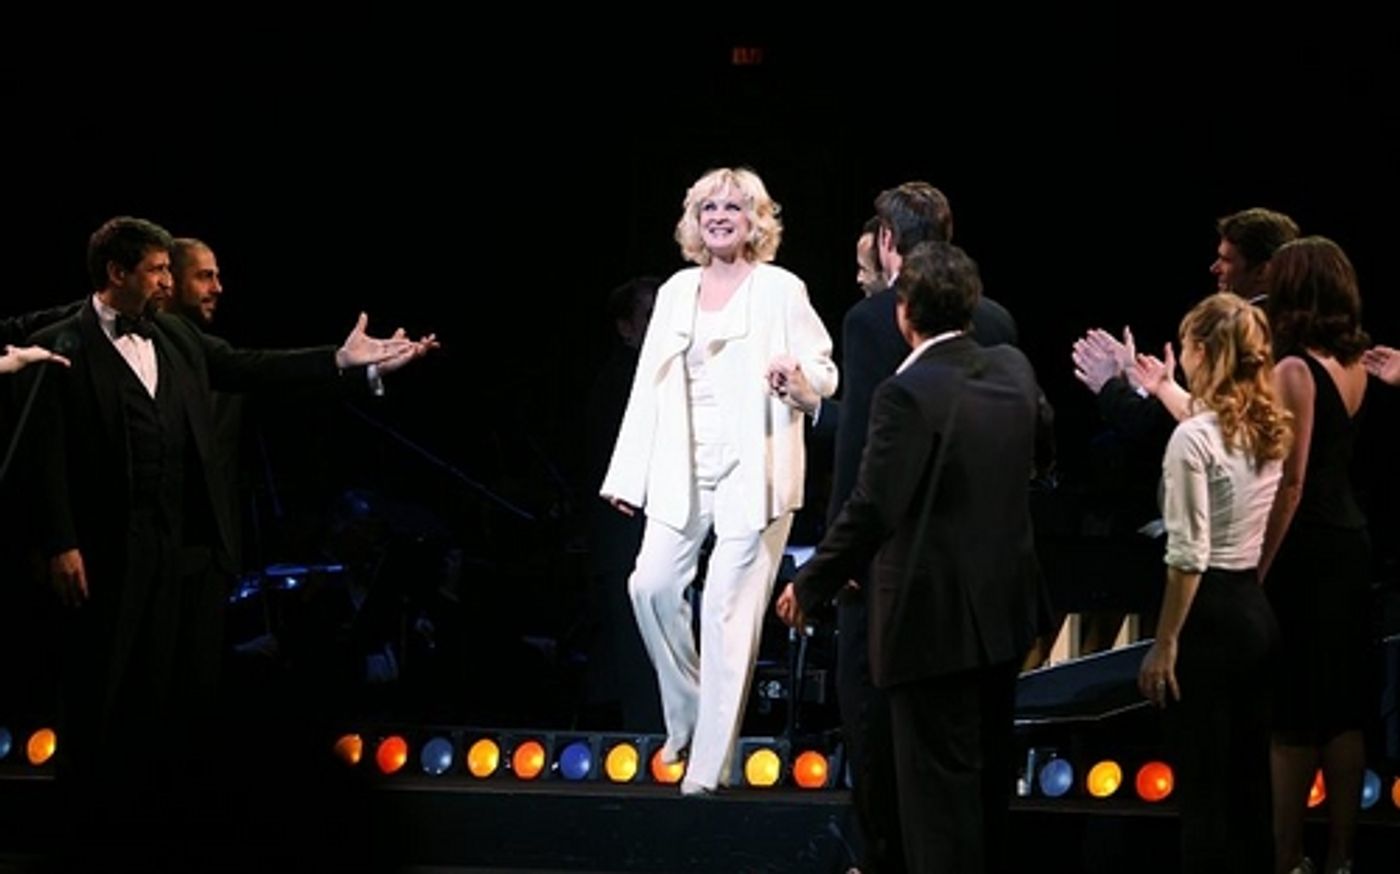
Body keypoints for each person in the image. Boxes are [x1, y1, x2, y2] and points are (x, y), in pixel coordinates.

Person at [18, 216, 434, 869]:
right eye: (157, 270)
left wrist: (339, 360)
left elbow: (252, 368)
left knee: (162, 701)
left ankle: (146, 832)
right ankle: (77, 838)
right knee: (99, 697)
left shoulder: (177, 337)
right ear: (117, 273)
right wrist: (59, 540)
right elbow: (43, 455)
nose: (167, 282)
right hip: (102, 552)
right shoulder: (59, 342)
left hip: (174, 550)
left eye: (169, 270)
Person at [773, 181, 1018, 873]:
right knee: (972, 750)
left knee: (879, 724)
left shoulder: (872, 321)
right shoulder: (1000, 327)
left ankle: (884, 856)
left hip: (895, 573)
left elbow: (868, 459)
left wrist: (833, 565)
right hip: (987, 579)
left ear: (887, 241)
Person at [600, 167, 836, 796]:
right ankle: (691, 715)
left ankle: (707, 768)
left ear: (756, 219)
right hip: (683, 462)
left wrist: (800, 381)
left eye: (733, 207)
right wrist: (628, 474)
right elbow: (648, 384)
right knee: (649, 584)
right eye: (709, 208)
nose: (720, 217)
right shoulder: (678, 291)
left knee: (726, 611)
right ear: (694, 220)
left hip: (756, 464)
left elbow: (825, 369)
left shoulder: (781, 288)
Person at [1132, 292, 1291, 872]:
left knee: (1203, 794)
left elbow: (1188, 556)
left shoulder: (1193, 440)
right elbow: (1208, 425)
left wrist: (1165, 643)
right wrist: (1163, 387)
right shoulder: (1264, 426)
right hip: (1254, 613)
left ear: (1200, 351)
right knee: (1249, 789)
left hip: (1208, 619)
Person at [1256, 238, 1371, 874]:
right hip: (1348, 541)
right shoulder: (1352, 362)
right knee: (1342, 709)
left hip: (1308, 550)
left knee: (1294, 712)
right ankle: (1342, 856)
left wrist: (1258, 569)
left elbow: (1291, 483)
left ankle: (1287, 857)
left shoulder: (1295, 370)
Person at [584, 276, 663, 731]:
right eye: (650, 316)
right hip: (627, 541)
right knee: (633, 658)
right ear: (626, 328)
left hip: (639, 542)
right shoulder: (623, 381)